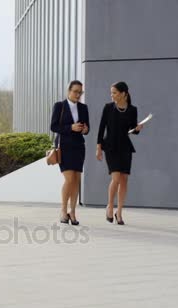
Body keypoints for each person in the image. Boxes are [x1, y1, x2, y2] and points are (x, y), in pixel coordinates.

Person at [96, 81, 144, 225]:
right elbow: (101, 127)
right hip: (110, 146)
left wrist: (138, 129)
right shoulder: (108, 108)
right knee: (115, 177)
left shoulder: (132, 109)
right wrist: (98, 147)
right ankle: (110, 206)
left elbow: (132, 130)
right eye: (111, 93)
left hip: (125, 147)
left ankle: (120, 212)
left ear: (124, 94)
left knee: (124, 180)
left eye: (114, 92)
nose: (112, 95)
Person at [50, 80, 90, 225]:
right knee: (69, 179)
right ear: (69, 91)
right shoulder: (59, 106)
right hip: (64, 146)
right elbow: (53, 126)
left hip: (79, 147)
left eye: (80, 92)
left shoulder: (84, 108)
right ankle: (63, 211)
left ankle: (72, 212)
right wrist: (70, 127)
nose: (78, 95)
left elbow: (87, 128)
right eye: (75, 91)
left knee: (76, 180)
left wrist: (85, 129)